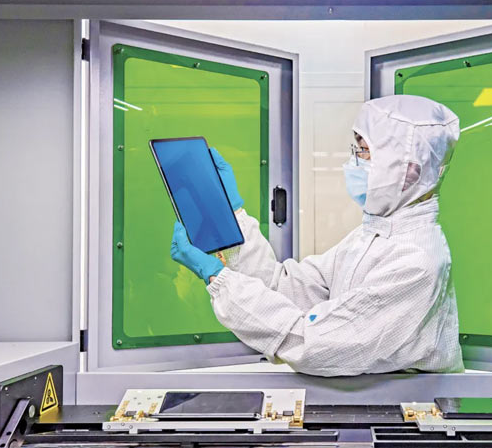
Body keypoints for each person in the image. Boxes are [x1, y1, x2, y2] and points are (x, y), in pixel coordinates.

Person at [170, 94, 464, 376]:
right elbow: (282, 286)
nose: (354, 162)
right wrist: (232, 215)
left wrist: (218, 278)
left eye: (364, 152)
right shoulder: (372, 238)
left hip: (401, 409)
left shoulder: (416, 261)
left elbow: (312, 344)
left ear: (409, 171)